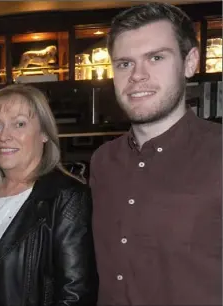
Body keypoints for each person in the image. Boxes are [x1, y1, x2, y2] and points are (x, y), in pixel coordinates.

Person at [90, 2, 222, 305]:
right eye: (124, 63)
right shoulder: (103, 161)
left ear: (190, 63)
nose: (137, 75)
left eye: (156, 57)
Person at [0, 84, 98, 305]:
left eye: (19, 124)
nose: (4, 136)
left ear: (44, 134)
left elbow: (75, 296)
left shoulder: (67, 197)